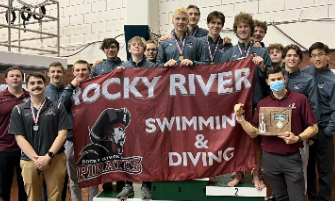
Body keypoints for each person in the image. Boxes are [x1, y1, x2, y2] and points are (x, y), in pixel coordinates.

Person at [234, 65, 318, 201]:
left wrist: (298, 138)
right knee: (280, 197)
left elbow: (313, 127)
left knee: (297, 198)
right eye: (272, 80)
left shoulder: (300, 99)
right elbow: (254, 132)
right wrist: (240, 118)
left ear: (285, 79)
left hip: (292, 157)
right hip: (270, 159)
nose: (276, 82)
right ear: (267, 82)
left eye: (279, 78)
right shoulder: (262, 104)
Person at [220, 12, 271, 189]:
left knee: (256, 141)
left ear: (251, 29)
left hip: (257, 102)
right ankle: (239, 174)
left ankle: (256, 175)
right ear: (236, 30)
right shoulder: (229, 53)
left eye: (246, 26)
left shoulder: (262, 51)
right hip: (236, 105)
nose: (243, 29)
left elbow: (272, 78)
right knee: (237, 142)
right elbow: (223, 80)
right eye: (239, 27)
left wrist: (263, 67)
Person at [8, 72, 71, 201]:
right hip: (29, 160)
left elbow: (63, 134)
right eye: (32, 83)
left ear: (45, 85)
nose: (36, 86)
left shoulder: (58, 107)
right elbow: (19, 138)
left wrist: (48, 157)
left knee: (56, 197)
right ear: (27, 86)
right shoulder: (18, 109)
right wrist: (37, 160)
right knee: (32, 198)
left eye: (39, 83)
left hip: (55, 158)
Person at [281, 44, 319, 196]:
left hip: (300, 135)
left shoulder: (308, 80)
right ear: (283, 59)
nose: (292, 58)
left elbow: (314, 107)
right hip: (278, 136)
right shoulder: (277, 77)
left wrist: (311, 135)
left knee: (299, 174)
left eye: (295, 56)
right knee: (279, 175)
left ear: (299, 59)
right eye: (289, 55)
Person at [58, 60, 99, 201]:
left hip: (91, 136)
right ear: (74, 72)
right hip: (72, 137)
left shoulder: (97, 87)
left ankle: (92, 199)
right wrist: (71, 86)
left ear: (89, 71)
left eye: (84, 70)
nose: (81, 72)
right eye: (78, 70)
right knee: (73, 175)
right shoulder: (69, 89)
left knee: (93, 173)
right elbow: (60, 106)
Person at [302, 42, 335, 201]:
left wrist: (328, 131)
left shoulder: (332, 80)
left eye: (320, 54)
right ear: (310, 59)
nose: (317, 58)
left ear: (327, 56)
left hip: (323, 130)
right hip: (307, 130)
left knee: (324, 171)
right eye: (313, 55)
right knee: (308, 169)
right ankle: (312, 198)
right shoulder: (307, 71)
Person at [0, 67, 28, 201]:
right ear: (6, 80)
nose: (15, 78)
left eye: (18, 76)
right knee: (3, 186)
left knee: (26, 187)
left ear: (22, 79)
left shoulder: (31, 96)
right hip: (4, 149)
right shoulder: (0, 98)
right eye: (12, 76)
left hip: (27, 150)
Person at [44, 62, 69, 201]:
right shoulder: (44, 92)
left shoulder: (69, 90)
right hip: (48, 142)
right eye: (53, 71)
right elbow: (58, 106)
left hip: (66, 141)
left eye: (59, 71)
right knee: (45, 183)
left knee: (62, 180)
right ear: (48, 74)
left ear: (63, 73)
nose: (56, 74)